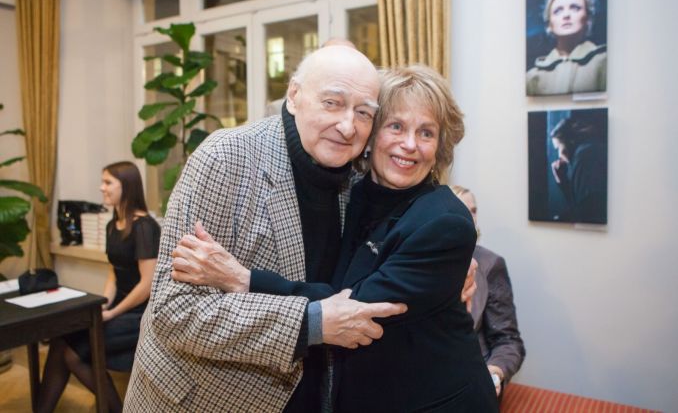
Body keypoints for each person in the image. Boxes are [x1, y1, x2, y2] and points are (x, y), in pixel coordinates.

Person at [171, 65, 498, 412]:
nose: (409, 144)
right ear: (371, 134)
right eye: (396, 126)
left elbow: (354, 309)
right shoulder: (353, 193)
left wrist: (245, 279)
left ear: (440, 146)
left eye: (426, 133)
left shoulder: (444, 220)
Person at [124, 45, 414, 412]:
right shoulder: (226, 158)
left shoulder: (358, 177)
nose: (347, 126)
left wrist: (455, 261)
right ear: (294, 96)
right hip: (200, 399)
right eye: (332, 103)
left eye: (363, 113)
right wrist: (309, 323)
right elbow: (175, 311)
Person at [37, 161, 160, 413]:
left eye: (108, 182)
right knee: (60, 339)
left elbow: (147, 285)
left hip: (141, 314)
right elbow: (114, 272)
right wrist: (103, 305)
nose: (101, 188)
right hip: (118, 308)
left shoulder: (145, 227)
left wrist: (113, 313)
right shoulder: (112, 225)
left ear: (127, 186)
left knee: (72, 353)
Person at [452, 185, 526, 400]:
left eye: (473, 211)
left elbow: (508, 340)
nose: (470, 218)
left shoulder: (490, 264)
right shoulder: (417, 264)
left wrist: (494, 372)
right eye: (461, 210)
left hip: (475, 378)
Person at [526, 0, 606, 96]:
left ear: (588, 19)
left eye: (575, 8)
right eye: (558, 11)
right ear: (549, 25)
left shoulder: (603, 61)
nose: (566, 15)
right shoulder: (533, 76)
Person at [550, 115, 607, 223]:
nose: (559, 155)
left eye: (558, 148)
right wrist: (562, 181)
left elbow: (585, 211)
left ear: (570, 141)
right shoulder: (589, 150)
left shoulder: (583, 157)